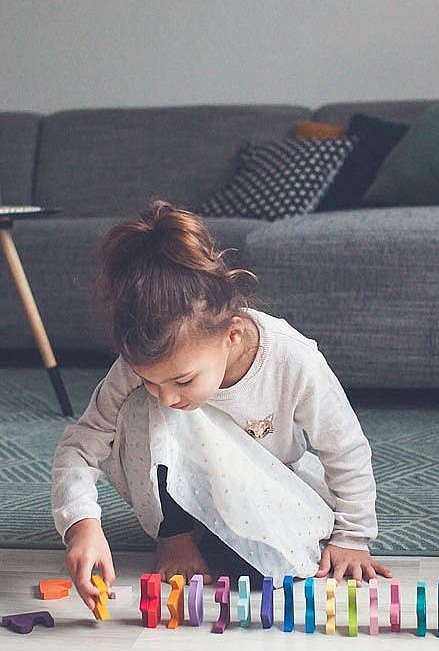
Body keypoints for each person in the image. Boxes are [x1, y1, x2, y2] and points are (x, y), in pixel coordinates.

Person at [52, 201, 391, 611]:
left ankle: (212, 536)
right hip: (171, 496)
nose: (168, 394)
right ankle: (176, 535)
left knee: (261, 572)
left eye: (183, 380)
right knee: (145, 407)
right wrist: (82, 526)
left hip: (266, 486)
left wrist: (352, 538)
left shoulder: (291, 358)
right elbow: (80, 446)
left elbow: (345, 447)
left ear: (231, 335)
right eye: (150, 379)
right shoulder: (144, 374)